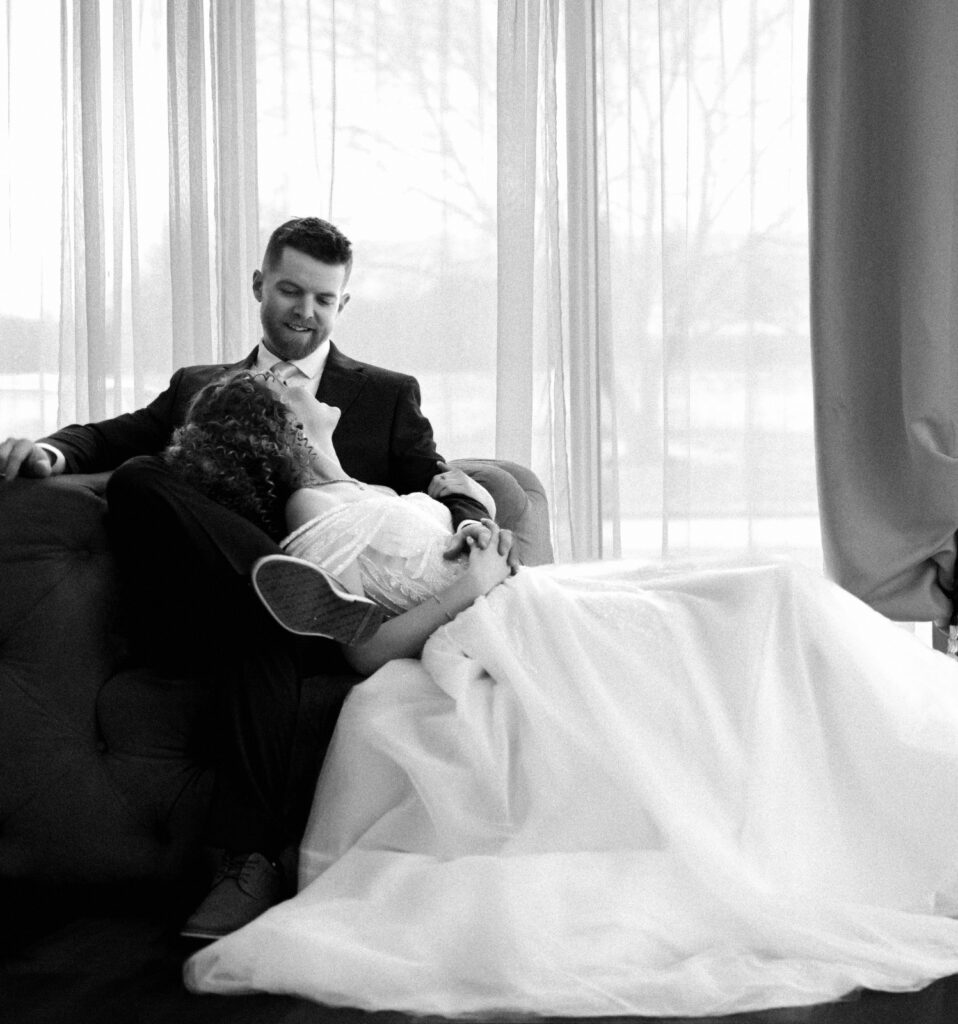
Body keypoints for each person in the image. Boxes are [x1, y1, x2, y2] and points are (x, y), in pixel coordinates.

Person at [171, 372, 958, 1017]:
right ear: (279, 425)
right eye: (280, 385)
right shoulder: (312, 511)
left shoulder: (350, 487)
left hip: (525, 599)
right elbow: (365, 643)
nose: (296, 378)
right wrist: (471, 580)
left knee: (771, 596)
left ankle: (899, 794)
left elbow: (419, 565)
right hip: (505, 625)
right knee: (763, 607)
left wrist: (471, 533)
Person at [0, 217, 499, 941]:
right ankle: (278, 587)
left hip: (315, 610)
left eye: (324, 299)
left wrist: (469, 521)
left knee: (260, 634)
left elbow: (436, 476)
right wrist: (50, 451)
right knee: (140, 476)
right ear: (261, 284)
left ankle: (249, 862)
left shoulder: (386, 395)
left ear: (342, 305)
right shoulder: (199, 386)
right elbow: (108, 437)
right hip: (219, 592)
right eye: (291, 291)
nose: (305, 311)